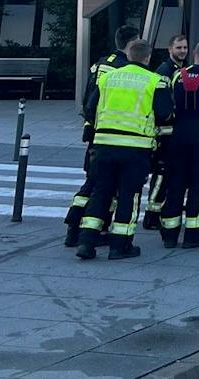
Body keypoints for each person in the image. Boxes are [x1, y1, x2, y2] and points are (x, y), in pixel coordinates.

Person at [76, 37, 172, 260]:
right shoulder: (154, 81)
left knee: (101, 192)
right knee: (129, 195)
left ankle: (87, 241)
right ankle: (121, 244)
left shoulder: (108, 78)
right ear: (148, 57)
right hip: (136, 148)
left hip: (104, 145)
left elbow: (90, 110)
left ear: (128, 55)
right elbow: (165, 113)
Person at [65, 23, 138, 246]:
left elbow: (89, 100)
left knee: (92, 182)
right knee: (103, 185)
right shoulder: (125, 69)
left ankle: (74, 226)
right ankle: (91, 229)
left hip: (95, 131)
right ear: (132, 43)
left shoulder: (99, 64)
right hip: (112, 134)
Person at [158, 39, 199, 249]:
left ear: (194, 52)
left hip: (179, 133)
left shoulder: (177, 75)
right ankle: (194, 234)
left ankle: (169, 233)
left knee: (175, 182)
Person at [142, 32, 191, 230]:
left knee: (170, 173)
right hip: (164, 131)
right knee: (161, 174)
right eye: (178, 48)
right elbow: (162, 104)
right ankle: (151, 215)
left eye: (185, 48)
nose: (182, 51)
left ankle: (161, 209)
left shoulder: (183, 69)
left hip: (176, 130)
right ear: (170, 49)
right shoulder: (164, 70)